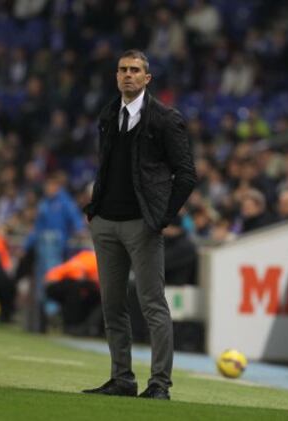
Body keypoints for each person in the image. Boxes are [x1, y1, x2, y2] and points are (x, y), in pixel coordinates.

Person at [83, 50, 197, 400]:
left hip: (141, 224)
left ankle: (160, 383)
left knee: (152, 304)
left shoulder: (165, 118)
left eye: (135, 70)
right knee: (112, 305)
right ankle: (122, 379)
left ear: (147, 78)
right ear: (116, 76)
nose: (127, 75)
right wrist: (95, 211)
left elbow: (186, 174)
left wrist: (162, 217)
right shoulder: (108, 114)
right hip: (106, 222)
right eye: (122, 70)